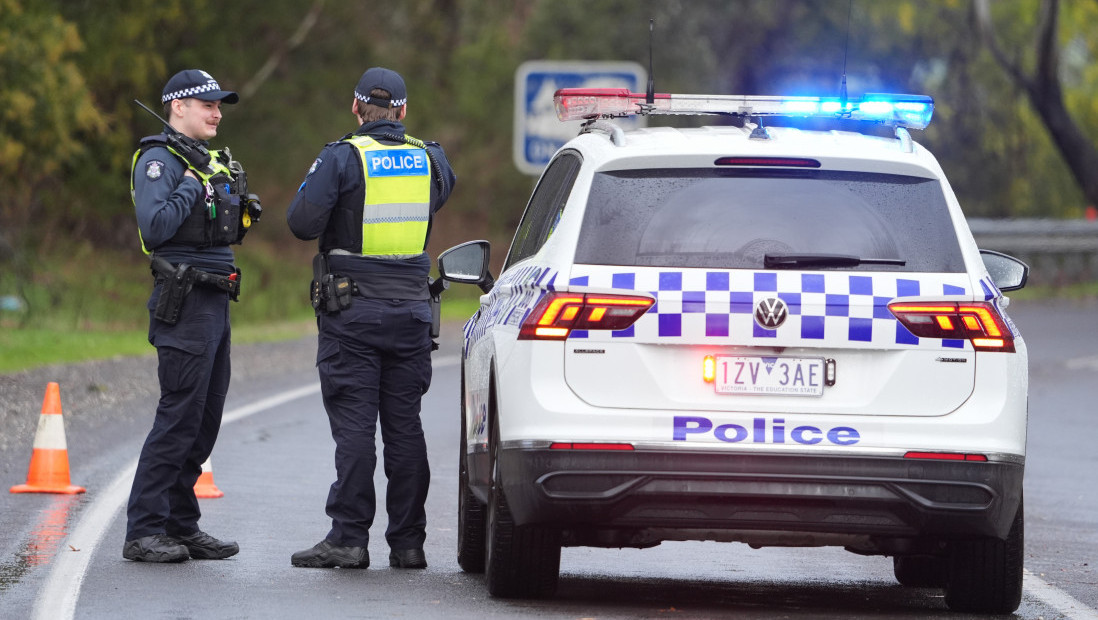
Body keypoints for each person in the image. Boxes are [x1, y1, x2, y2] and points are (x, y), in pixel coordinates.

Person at [287, 67, 456, 570]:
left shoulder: (342, 156)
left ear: (355, 107)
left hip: (352, 311)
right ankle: (408, 543)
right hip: (410, 311)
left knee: (356, 429)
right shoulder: (431, 158)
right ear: (403, 112)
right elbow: (438, 197)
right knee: (405, 428)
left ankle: (348, 538)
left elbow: (301, 223)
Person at [125, 69, 258, 563]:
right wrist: (191, 185)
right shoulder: (160, 161)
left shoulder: (210, 161)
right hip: (185, 301)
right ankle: (143, 531)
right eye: (207, 104)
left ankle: (181, 526)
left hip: (216, 298)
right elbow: (156, 228)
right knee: (178, 416)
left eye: (220, 104)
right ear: (177, 106)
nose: (217, 112)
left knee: (204, 420)